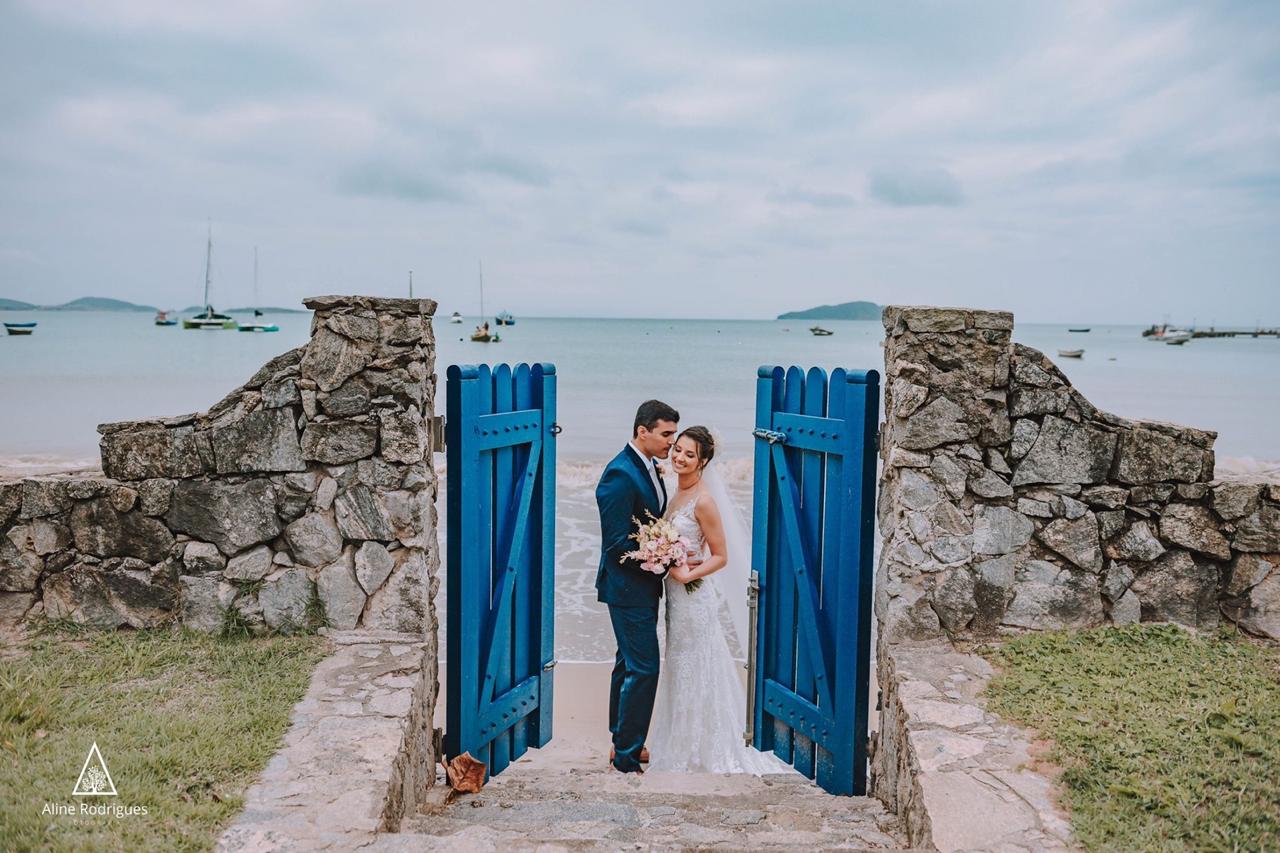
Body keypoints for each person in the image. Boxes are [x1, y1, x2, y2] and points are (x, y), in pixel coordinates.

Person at [646, 426, 787, 774]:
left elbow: (720, 556)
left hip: (694, 600)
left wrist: (687, 574)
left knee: (698, 667)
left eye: (689, 454)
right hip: (675, 599)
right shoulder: (674, 491)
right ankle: (679, 740)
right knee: (679, 667)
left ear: (703, 460)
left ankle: (703, 747)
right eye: (677, 449)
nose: (679, 457)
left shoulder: (704, 500)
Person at [594, 399, 679, 773]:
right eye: (666, 434)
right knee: (644, 669)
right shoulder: (619, 474)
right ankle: (628, 757)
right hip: (628, 588)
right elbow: (616, 544)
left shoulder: (648, 467)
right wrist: (660, 560)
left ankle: (621, 743)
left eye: (674, 434)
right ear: (641, 431)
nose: (671, 443)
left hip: (641, 587)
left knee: (627, 663)